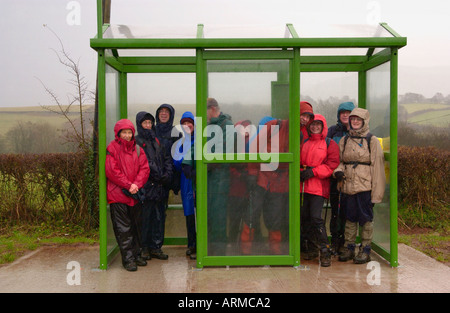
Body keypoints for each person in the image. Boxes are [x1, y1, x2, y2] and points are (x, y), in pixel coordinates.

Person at [333, 108, 386, 264]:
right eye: (353, 119)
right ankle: (349, 248)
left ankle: (365, 249)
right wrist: (338, 172)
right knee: (350, 218)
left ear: (364, 121)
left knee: (365, 218)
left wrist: (377, 194)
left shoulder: (372, 140)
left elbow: (378, 168)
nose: (355, 122)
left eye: (358, 120)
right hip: (348, 185)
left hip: (365, 187)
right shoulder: (345, 140)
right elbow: (341, 162)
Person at [105, 119, 150, 271]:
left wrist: (136, 184)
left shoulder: (138, 150)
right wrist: (129, 185)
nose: (127, 135)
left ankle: (136, 255)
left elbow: (145, 169)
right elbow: (112, 171)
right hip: (118, 195)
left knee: (136, 227)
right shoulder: (112, 148)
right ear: (118, 133)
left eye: (129, 132)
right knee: (123, 229)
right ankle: (128, 259)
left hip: (133, 194)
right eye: (124, 132)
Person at [243, 116, 290, 255]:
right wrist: (252, 173)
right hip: (261, 179)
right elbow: (254, 150)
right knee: (252, 215)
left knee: (275, 216)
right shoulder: (275, 127)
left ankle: (275, 250)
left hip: (279, 181)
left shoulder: (296, 132)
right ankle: (246, 251)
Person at [300, 114, 340, 267]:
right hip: (303, 185)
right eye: (312, 124)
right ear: (308, 126)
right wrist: (301, 172)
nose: (315, 127)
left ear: (323, 126)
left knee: (316, 218)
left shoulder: (329, 144)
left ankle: (325, 250)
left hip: (318, 186)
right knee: (305, 217)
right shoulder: (304, 142)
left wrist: (313, 172)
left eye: (318, 124)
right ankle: (311, 248)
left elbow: (331, 165)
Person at [135, 111, 173, 260]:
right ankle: (144, 247)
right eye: (145, 123)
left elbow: (167, 157)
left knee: (159, 217)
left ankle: (156, 247)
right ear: (140, 124)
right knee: (145, 218)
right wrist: (160, 175)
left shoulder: (156, 141)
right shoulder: (137, 141)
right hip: (146, 186)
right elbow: (144, 163)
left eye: (150, 123)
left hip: (159, 187)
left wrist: (168, 174)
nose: (148, 126)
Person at [326, 101, 356, 255]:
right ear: (339, 115)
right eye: (342, 112)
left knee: (348, 210)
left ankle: (347, 242)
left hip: (351, 178)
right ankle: (335, 241)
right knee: (335, 211)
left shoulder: (357, 132)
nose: (345, 115)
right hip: (334, 178)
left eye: (348, 112)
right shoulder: (332, 131)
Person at [205, 97, 234, 255]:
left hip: (221, 178)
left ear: (213, 109)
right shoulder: (209, 126)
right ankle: (209, 249)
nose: (206, 116)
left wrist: (209, 162)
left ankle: (219, 252)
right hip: (209, 178)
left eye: (206, 112)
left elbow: (227, 152)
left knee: (219, 215)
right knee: (209, 214)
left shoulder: (226, 125)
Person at [173, 111, 197, 259]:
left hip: (197, 180)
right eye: (184, 123)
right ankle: (192, 244)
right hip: (185, 181)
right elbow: (176, 162)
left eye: (190, 123)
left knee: (199, 212)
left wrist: (186, 161)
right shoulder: (180, 142)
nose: (187, 125)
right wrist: (187, 162)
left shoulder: (201, 140)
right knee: (189, 213)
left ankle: (201, 244)